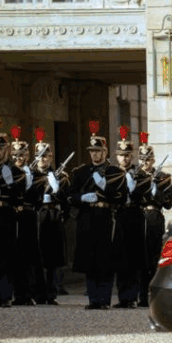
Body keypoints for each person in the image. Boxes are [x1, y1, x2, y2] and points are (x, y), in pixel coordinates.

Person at [69, 121, 127, 309]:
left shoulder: (115, 172)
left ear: (105, 152)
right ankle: (93, 299)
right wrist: (82, 198)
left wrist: (104, 186)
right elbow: (69, 196)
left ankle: (104, 299)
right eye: (92, 151)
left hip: (104, 217)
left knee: (104, 259)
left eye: (97, 151)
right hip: (86, 217)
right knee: (89, 258)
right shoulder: (80, 172)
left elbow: (121, 197)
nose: (94, 154)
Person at [110, 127, 147, 308]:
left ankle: (132, 296)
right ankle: (122, 296)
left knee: (134, 257)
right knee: (120, 257)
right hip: (120, 215)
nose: (124, 158)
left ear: (131, 156)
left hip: (135, 215)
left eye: (127, 155)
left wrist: (135, 189)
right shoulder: (111, 173)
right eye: (121, 155)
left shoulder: (139, 174)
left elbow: (146, 195)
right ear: (116, 156)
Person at [32, 129, 70, 305]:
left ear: (51, 157)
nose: (42, 160)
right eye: (39, 156)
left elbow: (67, 200)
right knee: (37, 256)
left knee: (53, 257)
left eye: (45, 156)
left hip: (54, 216)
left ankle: (51, 293)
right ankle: (39, 293)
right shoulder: (30, 176)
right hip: (38, 216)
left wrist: (57, 191)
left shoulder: (61, 176)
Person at [136, 134, 172, 307]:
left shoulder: (163, 177)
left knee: (154, 258)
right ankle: (140, 296)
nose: (145, 163)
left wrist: (156, 189)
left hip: (155, 217)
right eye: (142, 159)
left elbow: (168, 203)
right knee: (139, 258)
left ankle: (153, 296)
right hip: (139, 217)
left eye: (148, 159)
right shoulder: (134, 176)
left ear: (153, 160)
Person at [11, 128, 44, 305]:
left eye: (22, 155)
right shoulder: (8, 172)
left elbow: (38, 200)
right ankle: (17, 294)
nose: (18, 158)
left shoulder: (36, 174)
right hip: (12, 215)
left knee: (30, 256)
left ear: (27, 155)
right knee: (14, 257)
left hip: (29, 216)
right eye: (15, 155)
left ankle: (30, 293)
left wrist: (30, 185)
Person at [0, 128, 27, 307]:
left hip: (5, 215)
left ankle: (5, 295)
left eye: (1, 148)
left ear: (6, 150)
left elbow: (21, 197)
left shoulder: (15, 171)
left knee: (5, 256)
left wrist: (10, 184)